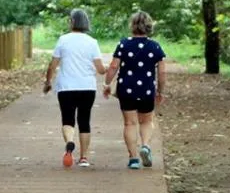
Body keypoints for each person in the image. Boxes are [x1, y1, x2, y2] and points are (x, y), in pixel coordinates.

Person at [103, 11, 166, 170]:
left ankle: (133, 158)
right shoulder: (155, 46)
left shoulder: (124, 43)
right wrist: (160, 91)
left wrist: (107, 83)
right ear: (149, 26)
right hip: (146, 89)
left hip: (126, 89)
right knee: (146, 121)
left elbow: (113, 66)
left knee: (129, 123)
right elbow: (162, 72)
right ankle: (145, 145)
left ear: (132, 26)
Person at [44, 9, 106, 168]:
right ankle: (84, 158)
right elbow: (100, 69)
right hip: (87, 87)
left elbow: (53, 64)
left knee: (67, 119)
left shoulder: (63, 40)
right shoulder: (92, 42)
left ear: (72, 22)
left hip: (66, 87)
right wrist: (108, 70)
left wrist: (48, 81)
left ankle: (70, 142)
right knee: (84, 121)